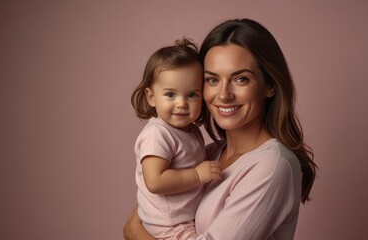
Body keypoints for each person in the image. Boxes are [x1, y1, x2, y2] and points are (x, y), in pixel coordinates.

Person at [124, 18, 317, 240]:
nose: (224, 95)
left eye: (241, 79)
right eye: (212, 79)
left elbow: (138, 223)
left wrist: (135, 234)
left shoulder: (273, 166)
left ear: (270, 85)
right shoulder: (209, 153)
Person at [130, 38, 222, 240]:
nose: (181, 103)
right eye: (170, 94)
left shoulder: (190, 130)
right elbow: (155, 181)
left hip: (181, 219)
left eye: (191, 95)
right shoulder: (157, 135)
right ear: (151, 97)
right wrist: (197, 175)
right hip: (168, 225)